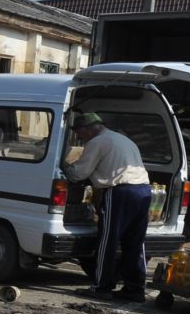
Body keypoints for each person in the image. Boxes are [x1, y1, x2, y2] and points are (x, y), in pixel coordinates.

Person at [63, 111, 151, 301]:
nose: (78, 137)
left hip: (120, 192)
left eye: (79, 132)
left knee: (108, 240)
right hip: (143, 190)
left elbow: (79, 173)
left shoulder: (97, 142)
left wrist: (65, 167)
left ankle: (102, 286)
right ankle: (135, 288)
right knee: (135, 242)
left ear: (88, 129)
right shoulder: (122, 139)